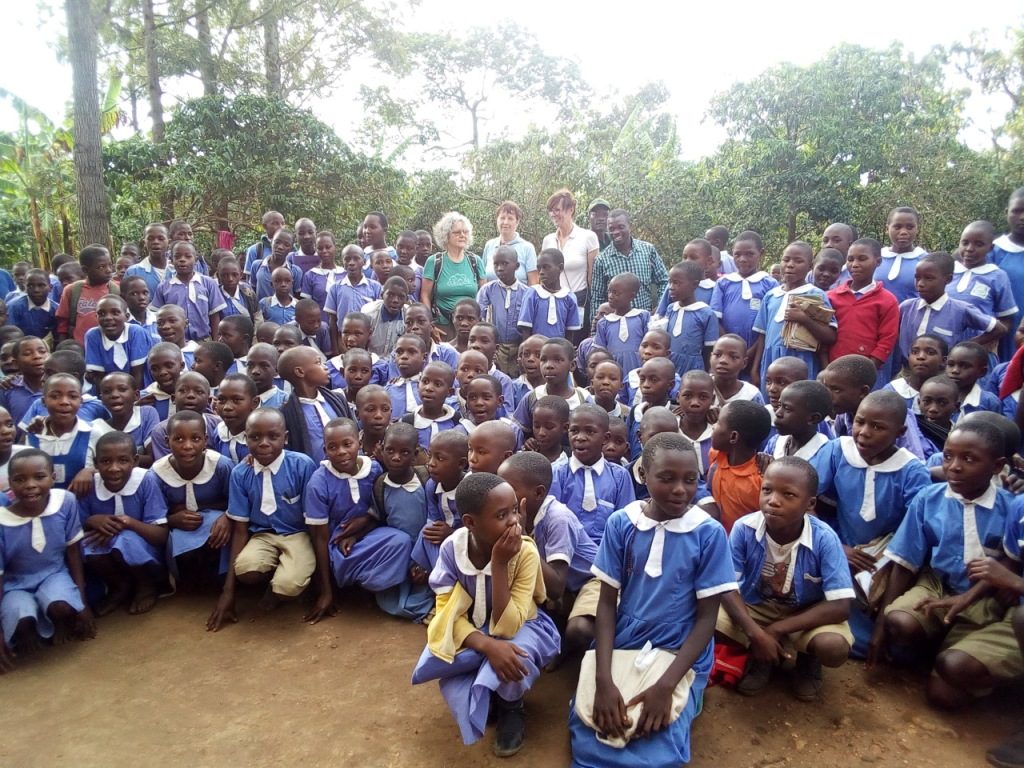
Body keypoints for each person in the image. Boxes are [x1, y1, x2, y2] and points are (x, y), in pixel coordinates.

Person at [568, 433, 736, 768]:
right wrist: (604, 680)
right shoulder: (623, 523)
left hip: (679, 644)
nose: (680, 490)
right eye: (666, 478)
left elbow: (706, 619)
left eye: (691, 480)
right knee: (595, 724)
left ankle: (690, 693)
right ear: (643, 474)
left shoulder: (707, 532)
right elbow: (606, 604)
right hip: (626, 636)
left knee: (654, 734)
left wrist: (665, 685)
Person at [411, 472, 560, 756]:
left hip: (522, 625)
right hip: (476, 628)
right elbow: (446, 613)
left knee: (514, 654)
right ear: (470, 522)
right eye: (502, 514)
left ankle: (512, 707)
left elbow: (508, 626)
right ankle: (488, 692)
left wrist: (500, 564)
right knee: (440, 653)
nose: (515, 521)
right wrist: (486, 645)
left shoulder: (524, 553)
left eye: (515, 510)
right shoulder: (452, 549)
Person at [874, 420, 1019, 707]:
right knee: (899, 621)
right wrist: (881, 622)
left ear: (997, 465)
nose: (953, 466)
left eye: (969, 459)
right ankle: (935, 647)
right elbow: (905, 561)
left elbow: (1012, 564)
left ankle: (964, 662)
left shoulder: (1011, 507)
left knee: (944, 695)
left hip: (987, 599)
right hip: (939, 585)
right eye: (948, 455)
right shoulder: (929, 498)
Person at [717, 457, 854, 701]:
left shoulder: (824, 539)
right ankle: (763, 655)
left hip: (805, 613)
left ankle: (806, 660)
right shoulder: (744, 528)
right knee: (704, 616)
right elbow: (728, 588)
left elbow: (840, 605)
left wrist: (776, 629)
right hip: (758, 607)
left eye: (788, 495)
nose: (773, 500)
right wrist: (757, 634)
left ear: (809, 504)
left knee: (833, 648)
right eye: (767, 490)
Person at [811, 390, 931, 656]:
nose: (864, 432)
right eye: (860, 421)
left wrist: (879, 560)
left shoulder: (911, 471)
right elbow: (802, 497)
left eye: (878, 427)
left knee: (889, 630)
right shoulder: (838, 451)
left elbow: (912, 539)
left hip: (886, 556)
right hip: (839, 543)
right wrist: (837, 546)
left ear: (900, 432)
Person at [208, 409, 317, 630]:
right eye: (255, 437)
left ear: (285, 438)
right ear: (245, 439)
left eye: (273, 436)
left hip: (297, 535)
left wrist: (321, 585)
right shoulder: (240, 474)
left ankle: (285, 585)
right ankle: (272, 577)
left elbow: (315, 522)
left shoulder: (302, 465)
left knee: (288, 588)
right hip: (262, 535)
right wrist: (228, 592)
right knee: (245, 570)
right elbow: (240, 529)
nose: (264, 444)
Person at [303, 418, 413, 618]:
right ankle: (341, 587)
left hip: (368, 536)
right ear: (325, 450)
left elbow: (379, 513)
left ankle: (367, 586)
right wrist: (325, 591)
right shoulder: (318, 483)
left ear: (359, 443)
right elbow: (319, 537)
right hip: (337, 545)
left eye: (347, 444)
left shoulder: (374, 469)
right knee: (344, 558)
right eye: (333, 447)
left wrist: (362, 527)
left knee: (401, 541)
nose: (342, 452)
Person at [0, 450, 94, 670]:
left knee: (62, 605)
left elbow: (73, 551)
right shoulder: (3, 521)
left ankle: (60, 623)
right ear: (10, 484)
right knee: (21, 619)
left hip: (54, 574)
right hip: (16, 585)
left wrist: (82, 604)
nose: (30, 485)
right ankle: (27, 631)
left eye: (39, 477)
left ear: (53, 477)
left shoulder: (65, 502)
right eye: (20, 479)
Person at [79, 431, 168, 615]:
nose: (114, 468)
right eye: (105, 461)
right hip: (108, 549)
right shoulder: (90, 485)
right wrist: (91, 520)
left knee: (125, 540)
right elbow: (76, 528)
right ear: (95, 463)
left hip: (145, 549)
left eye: (123, 460)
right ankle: (119, 585)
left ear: (135, 461)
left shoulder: (146, 480)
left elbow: (161, 535)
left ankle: (146, 584)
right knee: (86, 546)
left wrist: (128, 523)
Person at [751, 241, 837, 391]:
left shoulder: (815, 295)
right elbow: (762, 336)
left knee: (798, 402)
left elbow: (830, 336)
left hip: (800, 360)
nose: (790, 265)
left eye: (798, 261)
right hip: (771, 360)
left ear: (810, 266)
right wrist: (755, 367)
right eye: (786, 260)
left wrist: (804, 319)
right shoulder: (771, 295)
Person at [897, 251, 1003, 365]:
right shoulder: (906, 307)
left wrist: (965, 347)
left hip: (942, 374)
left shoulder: (960, 310)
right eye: (917, 278)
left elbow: (999, 329)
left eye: (929, 278)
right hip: (909, 370)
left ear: (948, 279)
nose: (920, 283)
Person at [551, 404, 635, 546]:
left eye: (590, 432)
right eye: (574, 431)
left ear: (605, 438)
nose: (580, 438)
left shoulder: (619, 477)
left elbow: (625, 525)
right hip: (565, 553)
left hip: (607, 557)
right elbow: (552, 524)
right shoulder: (557, 473)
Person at [827, 237, 899, 387]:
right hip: (833, 371)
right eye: (850, 259)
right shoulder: (831, 297)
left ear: (878, 262)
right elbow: (824, 335)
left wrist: (868, 370)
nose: (855, 265)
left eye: (862, 259)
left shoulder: (887, 300)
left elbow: (887, 340)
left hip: (869, 375)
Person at [589, 208, 668, 320]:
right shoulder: (601, 260)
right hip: (616, 322)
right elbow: (597, 298)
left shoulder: (648, 250)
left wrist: (660, 309)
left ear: (629, 226)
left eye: (621, 227)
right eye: (611, 229)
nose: (616, 232)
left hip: (645, 320)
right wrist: (596, 327)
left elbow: (664, 281)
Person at [710, 231, 777, 361]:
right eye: (737, 254)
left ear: (761, 254)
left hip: (758, 351)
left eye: (750, 254)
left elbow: (769, 325)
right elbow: (715, 319)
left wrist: (751, 351)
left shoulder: (770, 284)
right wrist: (730, 347)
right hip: (727, 353)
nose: (743, 259)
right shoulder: (724, 283)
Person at [542, 190, 599, 341]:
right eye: (551, 211)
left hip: (579, 301)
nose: (553, 214)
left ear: (571, 209)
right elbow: (544, 275)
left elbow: (593, 278)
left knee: (575, 346)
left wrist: (592, 312)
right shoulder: (548, 240)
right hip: (553, 301)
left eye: (557, 210)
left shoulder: (588, 237)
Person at [278, 346, 351, 463]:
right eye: (318, 363)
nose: (326, 367)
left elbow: (353, 431)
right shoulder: (286, 414)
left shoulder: (338, 400)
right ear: (300, 372)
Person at [410, 430, 469, 574]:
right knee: (427, 531)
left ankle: (443, 577)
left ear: (461, 463)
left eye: (440, 459)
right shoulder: (432, 486)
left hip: (466, 544)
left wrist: (451, 533)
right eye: (430, 456)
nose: (431, 464)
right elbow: (433, 521)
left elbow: (477, 531)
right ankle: (423, 569)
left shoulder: (469, 490)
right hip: (442, 540)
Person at [708, 400, 772, 532]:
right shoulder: (716, 455)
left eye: (718, 423)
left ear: (733, 436)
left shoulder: (760, 479)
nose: (713, 426)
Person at [420, 212, 485, 339]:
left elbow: (484, 295)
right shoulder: (435, 262)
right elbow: (425, 295)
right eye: (457, 232)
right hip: (443, 326)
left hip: (471, 327)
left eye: (465, 232)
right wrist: (430, 325)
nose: (462, 235)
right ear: (446, 236)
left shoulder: (475, 261)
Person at [152, 242, 226, 342]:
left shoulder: (208, 283)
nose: (182, 260)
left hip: (203, 341)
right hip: (175, 343)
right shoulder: (163, 287)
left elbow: (214, 315)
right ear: (171, 260)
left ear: (195, 260)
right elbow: (157, 317)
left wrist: (216, 341)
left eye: (188, 256)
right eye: (177, 256)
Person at [84, 295, 154, 390]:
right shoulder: (93, 335)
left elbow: (138, 374)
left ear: (127, 316)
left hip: (138, 390)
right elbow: (98, 375)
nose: (108, 317)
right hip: (107, 390)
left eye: (115, 313)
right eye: (102, 313)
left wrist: (132, 399)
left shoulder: (135, 332)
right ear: (96, 317)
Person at [477, 246, 528, 377]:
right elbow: (480, 320)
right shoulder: (487, 290)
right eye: (496, 264)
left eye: (504, 263)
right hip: (495, 349)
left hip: (518, 348)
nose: (499, 268)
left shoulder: (527, 293)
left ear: (516, 266)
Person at [55, 245, 118, 346]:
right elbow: (63, 323)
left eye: (110, 265)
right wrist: (63, 345)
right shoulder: (72, 290)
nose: (109, 270)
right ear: (85, 270)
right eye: (101, 267)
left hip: (108, 347)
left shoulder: (116, 291)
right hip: (80, 347)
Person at [662, 261, 717, 374]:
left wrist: (708, 373)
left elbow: (709, 349)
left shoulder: (705, 313)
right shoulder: (671, 309)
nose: (671, 287)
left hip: (694, 368)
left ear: (694, 284)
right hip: (669, 366)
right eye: (670, 282)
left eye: (677, 283)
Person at [518, 248, 582, 340]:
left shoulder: (569, 297)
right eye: (539, 268)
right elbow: (525, 329)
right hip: (536, 349)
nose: (541, 272)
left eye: (546, 267)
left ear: (560, 268)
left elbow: (570, 332)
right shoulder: (532, 294)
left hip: (558, 350)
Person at [91, 372, 160, 454]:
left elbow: (153, 457)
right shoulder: (97, 428)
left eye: (122, 389)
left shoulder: (146, 414)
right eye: (107, 391)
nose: (114, 395)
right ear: (101, 399)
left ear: (136, 395)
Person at [992, 187, 1024, 361]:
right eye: (1017, 211)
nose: (1023, 217)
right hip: (1004, 336)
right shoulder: (992, 251)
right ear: (1007, 212)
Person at [766, 380, 832, 462]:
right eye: (779, 405)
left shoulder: (828, 454)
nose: (778, 413)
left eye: (787, 408)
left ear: (813, 418)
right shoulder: (775, 443)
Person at [874, 206, 927, 304]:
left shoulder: (926, 261)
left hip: (910, 318)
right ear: (887, 228)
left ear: (917, 229)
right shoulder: (875, 257)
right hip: (876, 318)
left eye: (910, 227)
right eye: (897, 227)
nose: (903, 232)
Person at [403, 362, 459, 450]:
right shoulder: (408, 421)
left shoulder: (456, 420)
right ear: (418, 385)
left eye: (437, 384)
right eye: (425, 382)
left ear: (449, 392)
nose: (428, 388)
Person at [480, 201, 539, 285]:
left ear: (517, 222)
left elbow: (534, 283)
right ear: (497, 220)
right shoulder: (489, 245)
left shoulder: (527, 248)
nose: (505, 222)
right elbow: (483, 279)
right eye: (502, 218)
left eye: (510, 218)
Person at [300, 230, 347, 321]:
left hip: (343, 325)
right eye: (320, 248)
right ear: (316, 249)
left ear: (335, 247)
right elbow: (307, 306)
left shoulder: (345, 274)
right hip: (319, 325)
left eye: (328, 247)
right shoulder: (310, 275)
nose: (324, 251)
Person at [7, 269, 57, 342]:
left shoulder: (55, 309)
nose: (36, 290)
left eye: (41, 285)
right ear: (25, 288)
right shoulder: (15, 307)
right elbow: (10, 334)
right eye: (30, 286)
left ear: (50, 288)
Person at [124, 223, 171, 297]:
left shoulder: (177, 270)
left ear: (169, 242)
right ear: (144, 243)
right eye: (150, 239)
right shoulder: (133, 272)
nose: (156, 242)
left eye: (161, 239)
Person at [243, 210, 285, 285]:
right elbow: (249, 283)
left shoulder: (291, 249)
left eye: (283, 223)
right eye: (275, 223)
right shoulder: (254, 250)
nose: (281, 227)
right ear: (265, 226)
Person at [217, 257, 261, 323]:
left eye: (235, 275)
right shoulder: (215, 295)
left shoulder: (248, 293)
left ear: (241, 275)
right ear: (218, 276)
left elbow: (257, 317)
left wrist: (256, 332)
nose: (230, 279)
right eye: (225, 275)